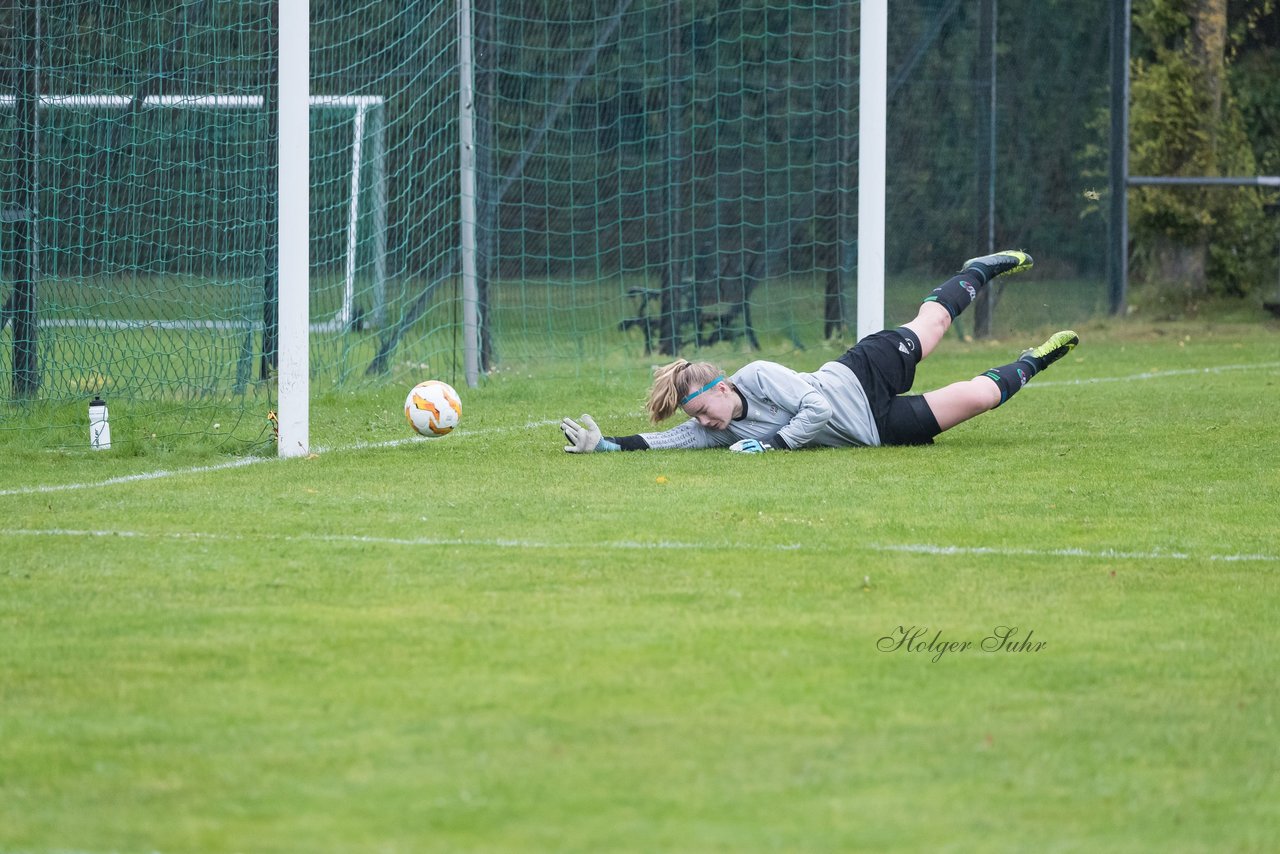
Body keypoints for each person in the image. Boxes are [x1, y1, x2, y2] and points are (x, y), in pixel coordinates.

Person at [560, 250, 1078, 454]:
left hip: (861, 374)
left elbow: (819, 408)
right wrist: (607, 446)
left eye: (702, 410)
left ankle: (979, 268)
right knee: (977, 399)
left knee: (935, 322)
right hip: (876, 429)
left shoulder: (759, 374)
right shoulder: (719, 429)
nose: (706, 423)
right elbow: (670, 440)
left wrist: (775, 446)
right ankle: (1038, 358)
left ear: (721, 386)